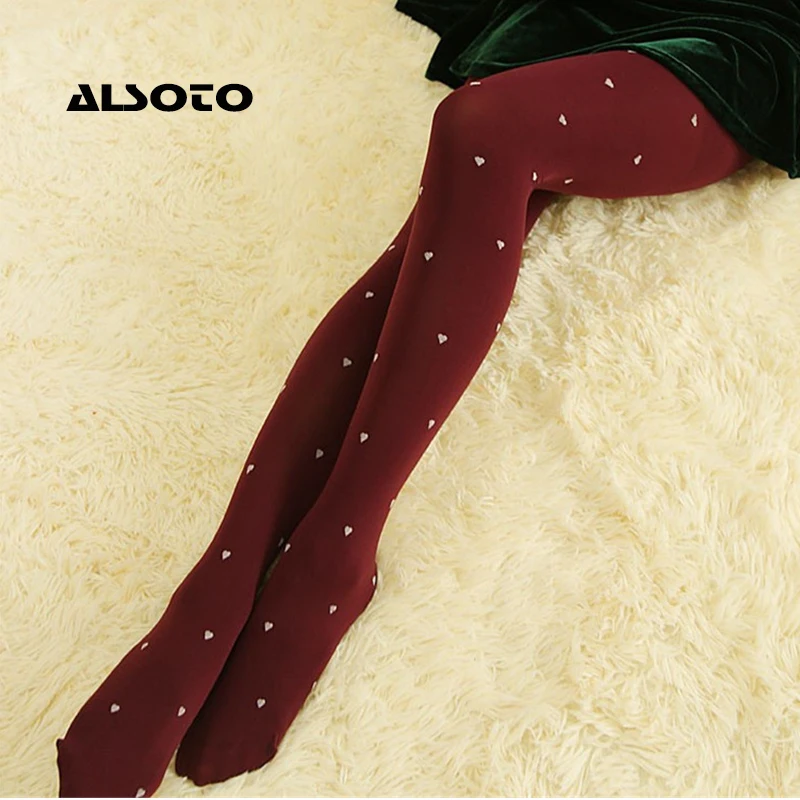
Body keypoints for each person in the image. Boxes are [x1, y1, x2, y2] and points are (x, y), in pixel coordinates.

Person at [56, 2, 800, 797]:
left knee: (485, 131)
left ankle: (323, 554)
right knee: (458, 206)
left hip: (742, 33)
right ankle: (223, 587)